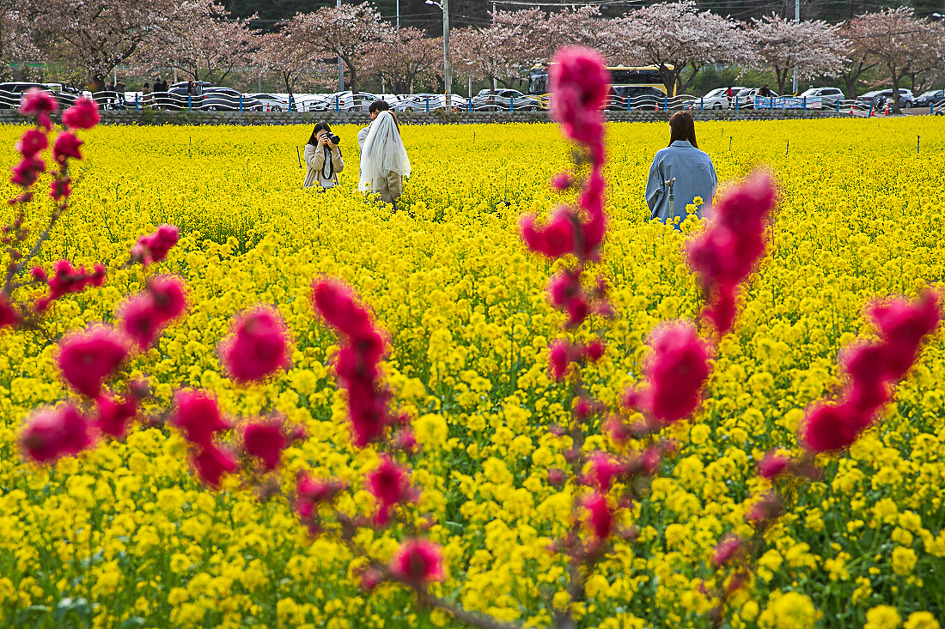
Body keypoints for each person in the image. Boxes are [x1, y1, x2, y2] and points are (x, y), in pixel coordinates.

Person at [645, 112, 717, 226]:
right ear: (691, 130)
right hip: (699, 226)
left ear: (672, 130)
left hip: (668, 225)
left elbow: (652, 194)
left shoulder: (662, 156)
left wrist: (662, 212)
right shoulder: (704, 158)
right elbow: (712, 190)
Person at [359, 110, 410, 209]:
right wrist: (399, 202)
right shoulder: (392, 147)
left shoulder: (372, 145)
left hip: (371, 197)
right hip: (386, 201)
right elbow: (393, 178)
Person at [303, 122, 345, 190]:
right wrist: (320, 146)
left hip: (332, 188)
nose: (325, 137)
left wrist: (334, 150)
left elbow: (339, 168)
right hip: (314, 188)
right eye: (321, 135)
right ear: (315, 135)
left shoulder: (331, 147)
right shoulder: (310, 148)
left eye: (326, 134)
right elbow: (317, 166)